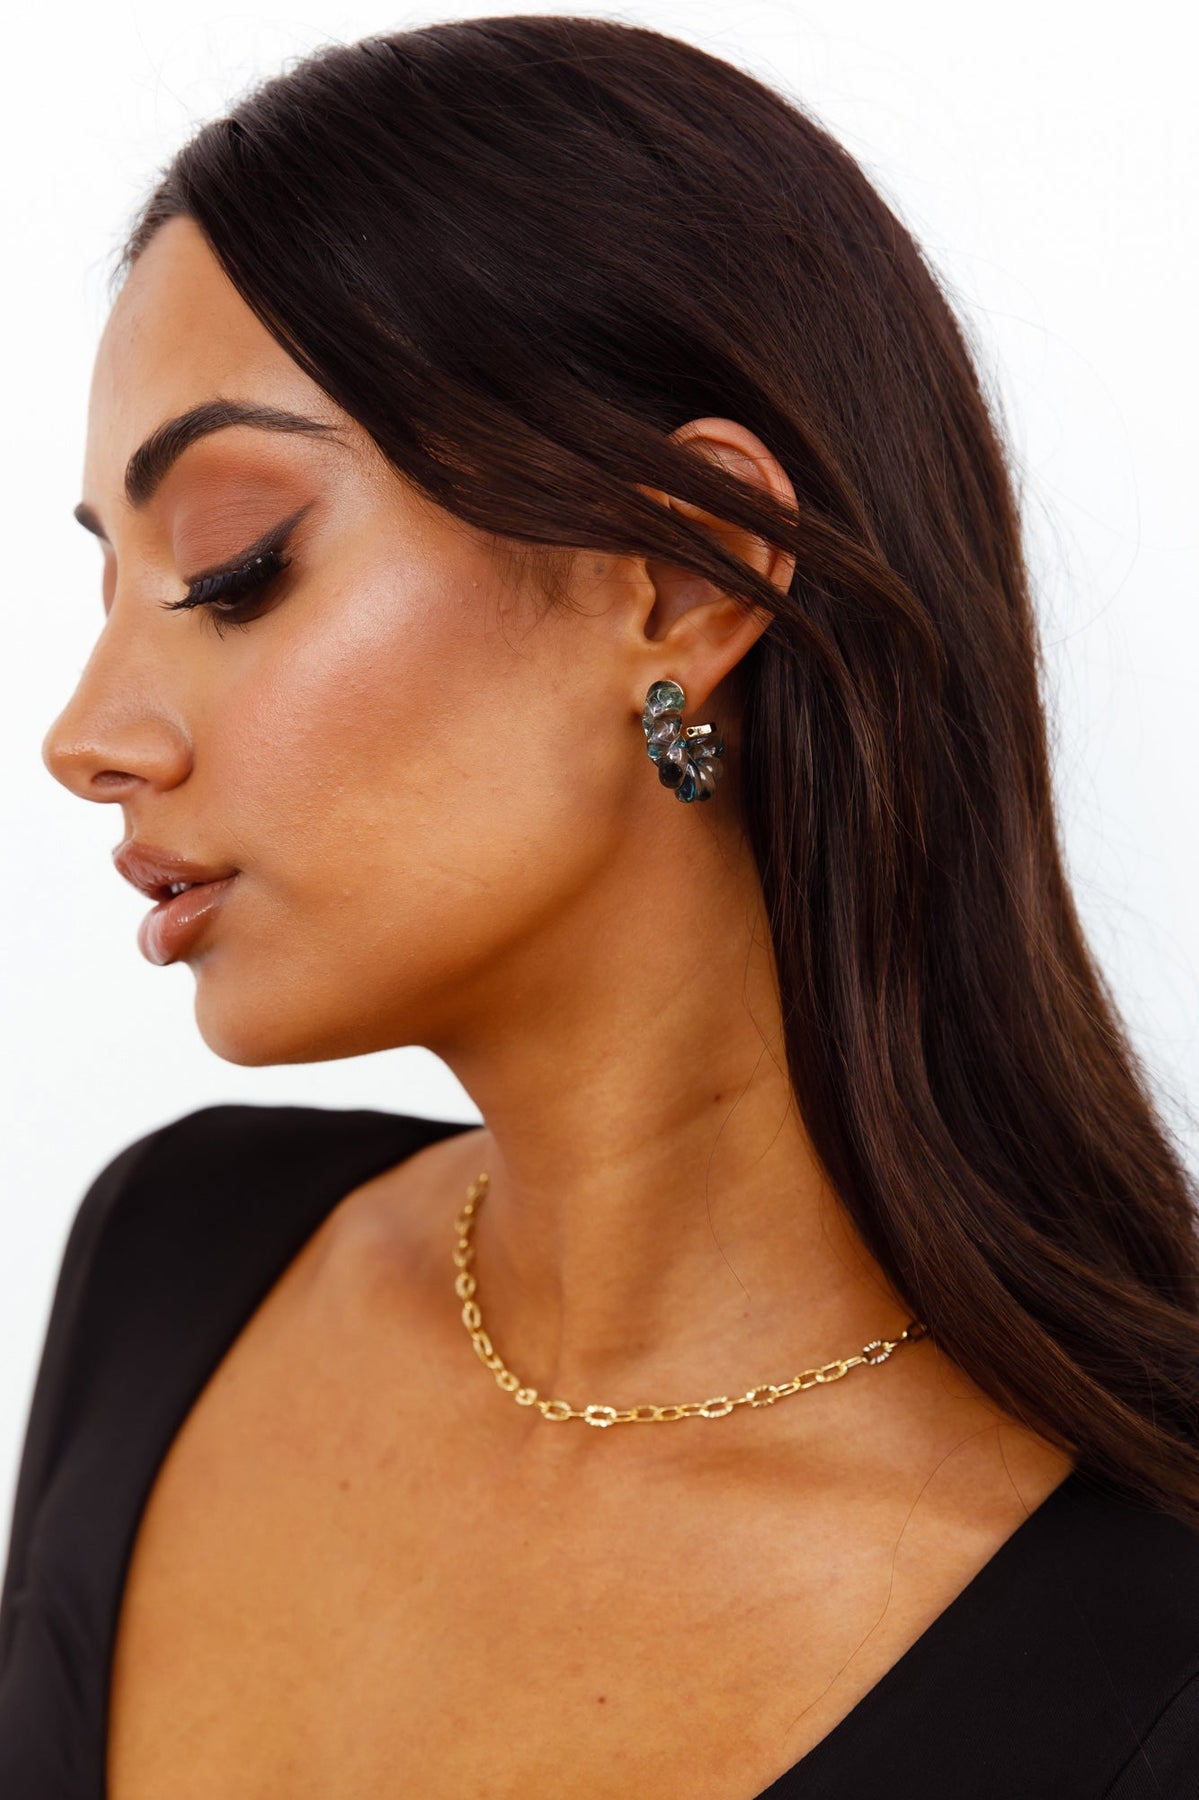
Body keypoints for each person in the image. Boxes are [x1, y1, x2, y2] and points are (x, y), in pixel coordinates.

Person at [2, 13, 1198, 1798]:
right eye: (109, 584)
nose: (86, 737)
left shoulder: (1151, 1643)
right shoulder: (170, 1266)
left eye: (233, 569)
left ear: (677, 576)